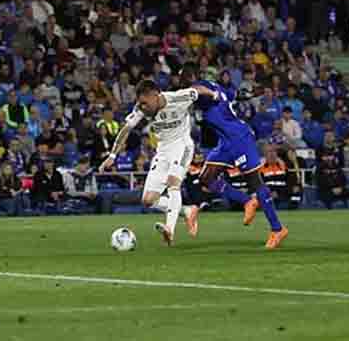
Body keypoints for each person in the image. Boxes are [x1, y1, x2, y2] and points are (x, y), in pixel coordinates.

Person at [189, 75, 288, 249]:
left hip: (239, 138)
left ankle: (277, 229)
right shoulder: (218, 87)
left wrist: (210, 94)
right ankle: (246, 201)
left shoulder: (202, 90)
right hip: (225, 142)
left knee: (255, 182)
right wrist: (252, 92)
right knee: (206, 178)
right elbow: (238, 94)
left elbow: (199, 91)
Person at [98, 80, 197, 246]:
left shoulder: (178, 97)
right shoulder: (141, 109)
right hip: (163, 150)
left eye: (145, 102)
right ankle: (187, 210)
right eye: (140, 103)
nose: (142, 106)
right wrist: (112, 156)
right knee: (148, 200)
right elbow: (126, 129)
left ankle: (170, 229)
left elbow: (199, 91)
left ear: (156, 96)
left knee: (174, 183)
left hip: (182, 145)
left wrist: (217, 96)